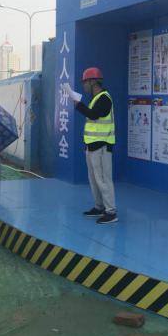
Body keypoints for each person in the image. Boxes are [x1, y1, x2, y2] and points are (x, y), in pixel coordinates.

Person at [63, 67, 117, 224]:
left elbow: (94, 115)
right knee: (94, 179)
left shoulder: (104, 98)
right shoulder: (95, 98)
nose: (84, 85)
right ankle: (99, 207)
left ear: (93, 82)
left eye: (85, 82)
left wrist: (78, 105)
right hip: (92, 145)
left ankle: (111, 212)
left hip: (102, 146)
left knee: (103, 180)